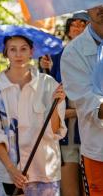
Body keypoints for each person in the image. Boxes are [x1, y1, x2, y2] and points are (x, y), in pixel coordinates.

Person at [0, 25, 66, 196]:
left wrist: (56, 105)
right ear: (6, 53)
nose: (18, 54)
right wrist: (13, 171)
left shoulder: (49, 84)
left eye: (23, 49)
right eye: (13, 49)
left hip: (45, 173)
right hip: (10, 176)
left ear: (31, 51)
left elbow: (55, 131)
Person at [39, 11, 89, 196]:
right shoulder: (57, 55)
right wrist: (46, 69)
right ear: (68, 29)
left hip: (90, 130)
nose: (78, 28)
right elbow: (50, 94)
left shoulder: (96, 55)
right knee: (69, 189)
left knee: (91, 188)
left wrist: (77, 111)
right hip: (66, 131)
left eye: (83, 24)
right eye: (74, 24)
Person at [61, 5, 103, 195]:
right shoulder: (72, 53)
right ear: (86, 5)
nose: (101, 5)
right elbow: (88, 104)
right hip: (98, 153)